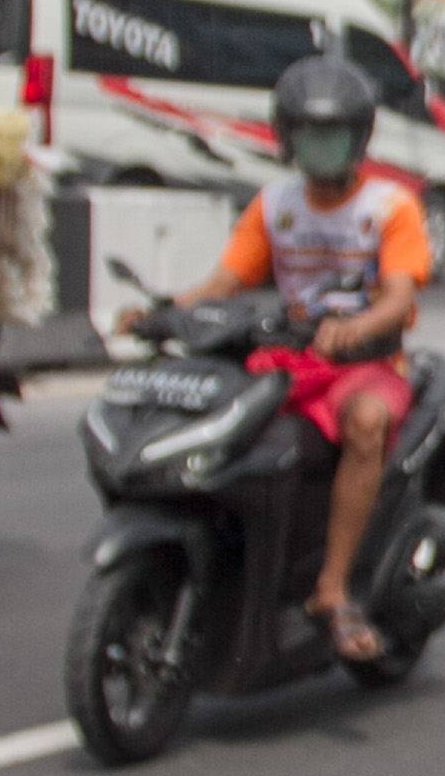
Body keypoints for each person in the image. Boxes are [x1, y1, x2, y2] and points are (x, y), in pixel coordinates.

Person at [142, 55, 428, 663]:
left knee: (367, 424)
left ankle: (332, 587)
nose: (322, 148)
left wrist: (357, 328)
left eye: (334, 135)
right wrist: (160, 311)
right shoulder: (274, 206)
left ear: (360, 137)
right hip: (289, 361)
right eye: (310, 135)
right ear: (287, 138)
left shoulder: (391, 206)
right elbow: (222, 283)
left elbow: (400, 297)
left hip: (364, 364)